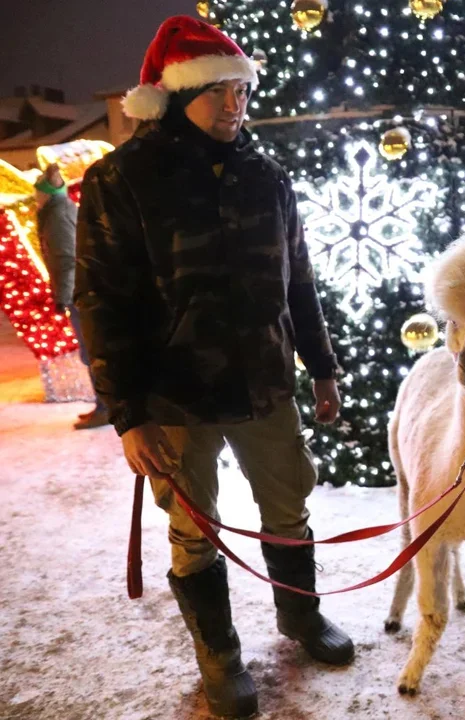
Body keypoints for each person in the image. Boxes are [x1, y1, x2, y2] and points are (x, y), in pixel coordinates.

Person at [74, 17, 353, 719]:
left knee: (289, 509)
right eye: (219, 92)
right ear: (177, 95)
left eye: (242, 91)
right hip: (174, 398)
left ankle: (299, 618)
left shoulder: (267, 177)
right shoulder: (122, 179)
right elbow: (100, 301)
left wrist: (321, 366)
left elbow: (299, 282)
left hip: (265, 383)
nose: (236, 105)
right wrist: (127, 414)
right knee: (195, 530)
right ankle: (220, 657)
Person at [35, 164, 109, 429]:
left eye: (37, 194)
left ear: (46, 194)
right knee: (90, 350)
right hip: (78, 290)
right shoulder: (55, 212)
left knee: (91, 350)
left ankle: (106, 407)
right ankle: (103, 405)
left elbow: (67, 258)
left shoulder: (57, 214)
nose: (35, 199)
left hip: (80, 292)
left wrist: (63, 296)